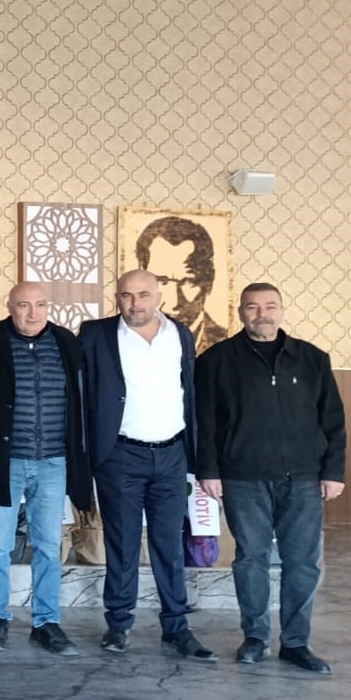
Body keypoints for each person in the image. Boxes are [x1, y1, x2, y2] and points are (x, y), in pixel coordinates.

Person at [197, 283, 346, 674]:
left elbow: (333, 420)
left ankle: (296, 643)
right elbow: (205, 422)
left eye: (270, 306)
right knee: (251, 559)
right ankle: (255, 638)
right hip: (242, 478)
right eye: (252, 307)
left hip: (304, 479)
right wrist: (209, 470)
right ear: (240, 312)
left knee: (303, 563)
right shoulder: (216, 360)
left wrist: (333, 471)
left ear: (281, 310)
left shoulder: (312, 359)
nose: (262, 313)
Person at [79, 270, 215, 659]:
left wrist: (196, 455)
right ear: (117, 297)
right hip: (120, 455)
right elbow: (81, 395)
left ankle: (177, 627)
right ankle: (118, 624)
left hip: (172, 456)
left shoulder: (181, 335)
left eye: (143, 295)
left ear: (158, 297)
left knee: (169, 544)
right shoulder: (95, 335)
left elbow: (188, 393)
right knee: (121, 543)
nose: (135, 303)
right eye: (126, 295)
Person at [0, 282, 91, 656]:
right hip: (3, 461)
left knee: (49, 546)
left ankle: (46, 623)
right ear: (9, 306)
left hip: (53, 461)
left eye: (39, 305)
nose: (32, 313)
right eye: (23, 305)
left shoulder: (67, 344)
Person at [136, 216, 228, 353]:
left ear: (209, 281)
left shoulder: (226, 346)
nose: (174, 303)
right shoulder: (123, 342)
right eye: (162, 282)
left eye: (187, 283)